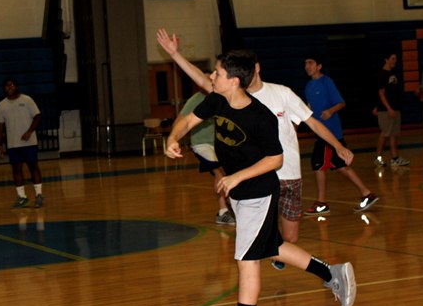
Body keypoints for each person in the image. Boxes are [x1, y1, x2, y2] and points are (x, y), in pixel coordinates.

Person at [164, 49, 356, 306]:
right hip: (240, 192)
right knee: (272, 247)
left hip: (258, 192)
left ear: (235, 80)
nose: (212, 77)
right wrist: (173, 139)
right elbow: (188, 120)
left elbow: (276, 159)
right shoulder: (218, 99)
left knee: (246, 258)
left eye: (217, 73)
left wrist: (237, 177)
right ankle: (332, 274)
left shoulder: (260, 116)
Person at [157, 28, 359, 271]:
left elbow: (312, 122)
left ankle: (304, 265)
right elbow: (202, 79)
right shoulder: (229, 97)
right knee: (253, 247)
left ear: (255, 68)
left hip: (288, 173)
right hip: (256, 179)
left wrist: (337, 146)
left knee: (288, 238)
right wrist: (175, 55)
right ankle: (253, 295)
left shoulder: (281, 93)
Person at [303, 54, 379, 216]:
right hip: (320, 133)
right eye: (305, 64)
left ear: (319, 66)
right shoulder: (309, 86)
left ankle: (322, 203)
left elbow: (341, 103)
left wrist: (330, 111)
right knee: (341, 166)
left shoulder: (327, 82)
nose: (307, 66)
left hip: (330, 133)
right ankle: (367, 194)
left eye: (310, 63)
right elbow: (309, 106)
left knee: (318, 165)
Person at [177, 85, 236, 225]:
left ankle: (233, 207)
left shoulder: (223, 97)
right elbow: (180, 120)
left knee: (231, 174)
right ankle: (223, 211)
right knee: (220, 173)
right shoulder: (195, 100)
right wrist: (174, 139)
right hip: (202, 144)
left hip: (221, 144)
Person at [0, 77, 44, 208]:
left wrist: (29, 131)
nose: (9, 88)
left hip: (29, 143)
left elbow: (38, 116)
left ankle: (39, 194)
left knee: (33, 167)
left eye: (11, 85)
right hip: (13, 144)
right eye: (7, 86)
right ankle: (22, 197)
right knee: (16, 169)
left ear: (16, 86)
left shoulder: (27, 100)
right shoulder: (1, 106)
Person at [373, 52, 410, 167]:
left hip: (394, 108)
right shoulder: (382, 74)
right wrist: (388, 108)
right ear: (386, 59)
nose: (394, 61)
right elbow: (381, 93)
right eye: (392, 58)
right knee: (385, 133)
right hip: (386, 110)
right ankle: (378, 158)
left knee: (393, 134)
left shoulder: (393, 74)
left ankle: (395, 158)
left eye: (395, 59)